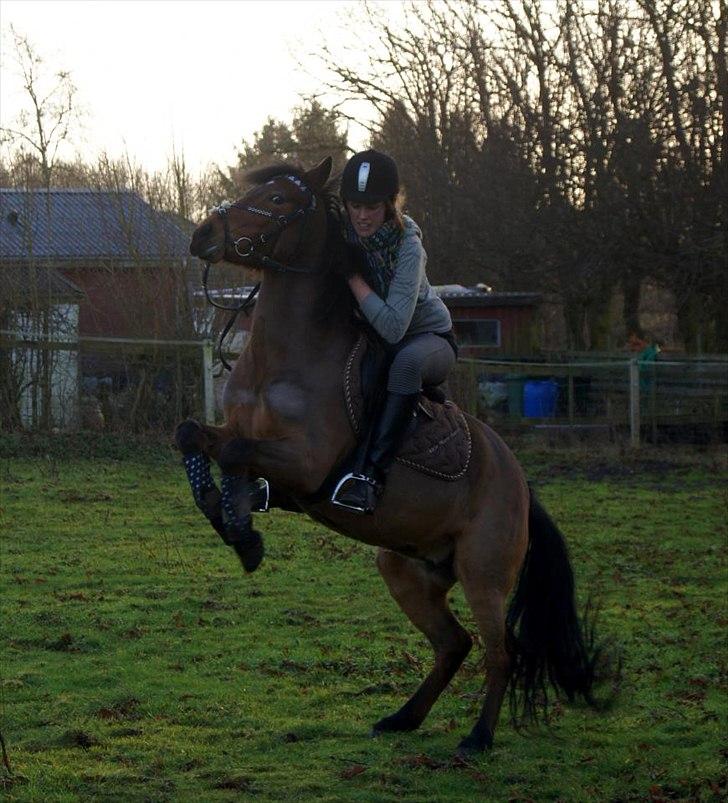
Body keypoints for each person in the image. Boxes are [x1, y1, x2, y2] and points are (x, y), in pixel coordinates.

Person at [331, 149, 457, 514]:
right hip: (380, 339)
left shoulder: (408, 247)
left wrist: (353, 277)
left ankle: (371, 477)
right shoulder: (345, 231)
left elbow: (392, 328)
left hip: (429, 340)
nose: (362, 216)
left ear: (389, 205)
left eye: (371, 206)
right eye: (354, 205)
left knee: (403, 364)